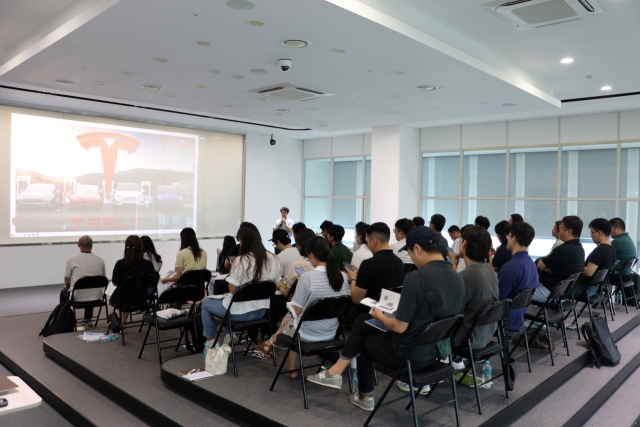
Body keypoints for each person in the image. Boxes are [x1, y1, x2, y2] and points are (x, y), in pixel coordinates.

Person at [306, 226, 466, 411]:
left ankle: (364, 394)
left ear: (418, 249)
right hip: (436, 353)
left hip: (409, 356)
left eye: (410, 252)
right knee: (364, 323)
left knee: (364, 339)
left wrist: (381, 316)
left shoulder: (416, 278)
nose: (411, 258)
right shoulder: (458, 278)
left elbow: (398, 327)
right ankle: (337, 372)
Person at [256, 237, 350, 378]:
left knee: (291, 317)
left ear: (311, 255)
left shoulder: (307, 278)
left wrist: (301, 291)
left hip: (307, 333)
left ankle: (291, 367)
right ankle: (270, 344)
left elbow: (297, 311)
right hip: (331, 332)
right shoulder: (342, 276)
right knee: (294, 319)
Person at [201, 226, 280, 347]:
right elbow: (277, 284)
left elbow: (233, 290)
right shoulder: (274, 259)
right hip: (261, 312)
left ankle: (210, 342)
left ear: (244, 241)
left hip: (239, 313)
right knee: (226, 300)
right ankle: (229, 336)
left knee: (206, 303)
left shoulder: (241, 260)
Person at [451, 226, 499, 359]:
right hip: (487, 334)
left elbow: (450, 310)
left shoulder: (468, 275)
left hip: (469, 338)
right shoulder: (489, 270)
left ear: (464, 243)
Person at [345, 223, 405, 309]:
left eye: (367, 241)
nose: (368, 245)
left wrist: (353, 278)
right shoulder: (399, 263)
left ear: (374, 240)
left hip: (369, 314)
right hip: (389, 314)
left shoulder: (368, 264)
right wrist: (361, 273)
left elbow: (356, 299)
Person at [498, 222, 539, 332]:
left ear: (514, 239)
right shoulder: (531, 263)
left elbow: (498, 300)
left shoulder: (509, 268)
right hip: (520, 316)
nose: (507, 239)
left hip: (505, 320)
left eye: (508, 236)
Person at [533, 216, 585, 303]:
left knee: (518, 292)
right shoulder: (580, 249)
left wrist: (547, 267)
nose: (559, 230)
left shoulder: (562, 250)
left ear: (569, 231)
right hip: (564, 294)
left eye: (561, 227)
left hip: (550, 294)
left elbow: (539, 265)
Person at [109, 235, 156, 323]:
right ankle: (123, 322)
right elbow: (150, 283)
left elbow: (115, 283)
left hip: (124, 300)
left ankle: (122, 323)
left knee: (124, 292)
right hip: (142, 299)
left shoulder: (120, 264)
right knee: (129, 292)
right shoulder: (148, 264)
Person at [61, 235, 106, 325]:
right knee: (90, 288)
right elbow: (103, 278)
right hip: (96, 297)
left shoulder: (72, 259)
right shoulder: (100, 260)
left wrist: (67, 285)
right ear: (91, 246)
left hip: (77, 297)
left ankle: (63, 319)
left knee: (63, 292)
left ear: (78, 245)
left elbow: (67, 278)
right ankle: (88, 319)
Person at [569, 218, 616, 299]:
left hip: (583, 289)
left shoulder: (600, 251)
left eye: (592, 233)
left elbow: (588, 272)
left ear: (600, 233)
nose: (591, 235)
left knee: (554, 288)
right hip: (594, 288)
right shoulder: (612, 249)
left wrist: (574, 266)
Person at [609, 217, 637, 293]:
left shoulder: (617, 241)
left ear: (617, 228)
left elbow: (605, 255)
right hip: (627, 275)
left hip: (618, 276)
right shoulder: (628, 239)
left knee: (596, 276)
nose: (609, 232)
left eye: (610, 229)